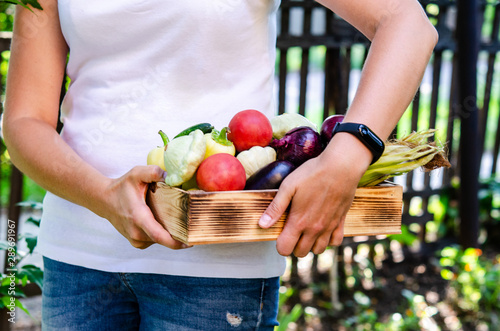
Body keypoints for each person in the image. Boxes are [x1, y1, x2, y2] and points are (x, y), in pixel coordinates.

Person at [2, 0, 437, 329]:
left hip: (216, 266)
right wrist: (102, 197)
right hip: (79, 257)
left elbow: (407, 24)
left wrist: (347, 155)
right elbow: (23, 121)